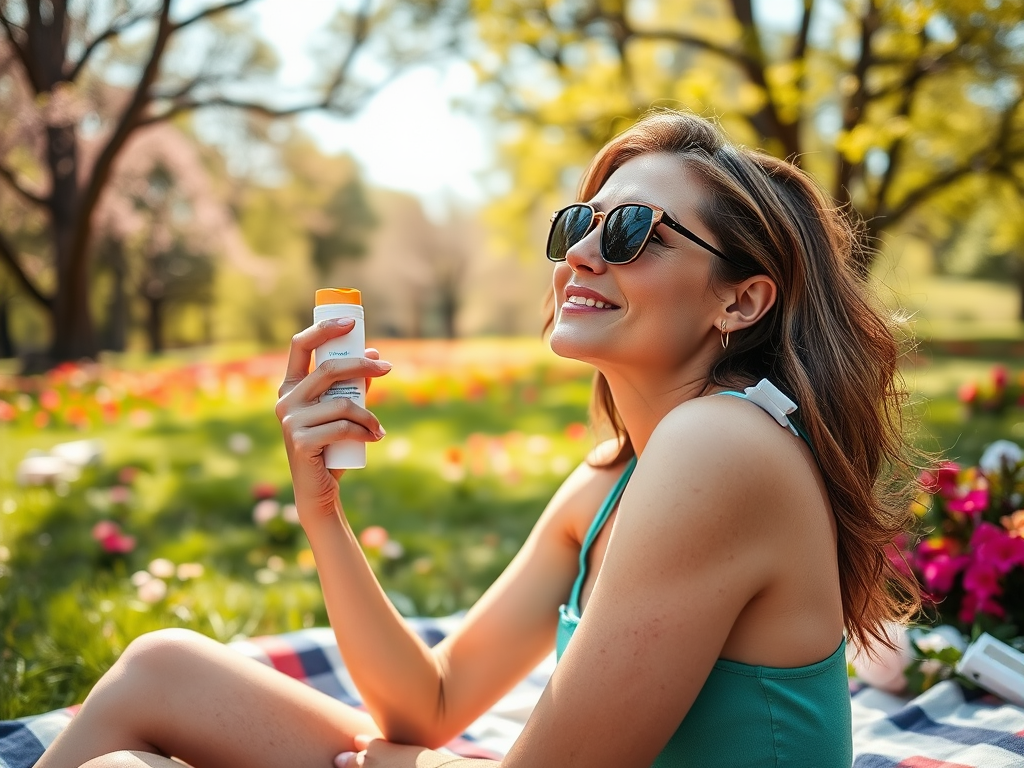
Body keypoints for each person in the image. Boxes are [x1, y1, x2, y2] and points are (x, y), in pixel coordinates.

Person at [36, 109, 920, 768]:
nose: (582, 255)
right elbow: (430, 704)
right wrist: (321, 507)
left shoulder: (722, 450)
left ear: (741, 300)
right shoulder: (615, 480)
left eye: (630, 231)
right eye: (580, 225)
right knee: (161, 666)